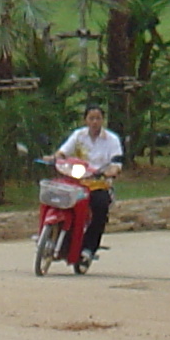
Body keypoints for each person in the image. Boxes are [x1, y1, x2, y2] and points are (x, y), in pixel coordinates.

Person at [52, 106, 124, 265]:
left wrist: (112, 170)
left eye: (98, 118)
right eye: (91, 118)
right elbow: (63, 152)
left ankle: (89, 248)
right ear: (85, 120)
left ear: (102, 120)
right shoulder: (78, 136)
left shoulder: (112, 140)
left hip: (98, 183)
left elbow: (116, 162)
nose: (94, 122)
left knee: (100, 207)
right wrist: (55, 158)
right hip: (77, 182)